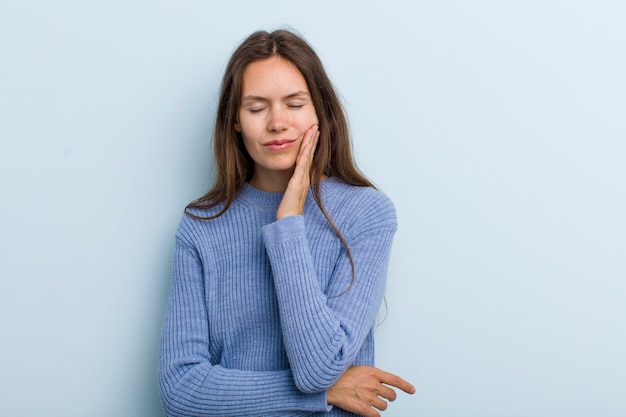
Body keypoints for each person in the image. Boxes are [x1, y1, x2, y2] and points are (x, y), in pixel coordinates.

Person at [158, 28, 415, 417]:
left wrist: (288, 224)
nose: (277, 123)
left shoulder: (367, 213)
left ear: (321, 112)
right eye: (257, 108)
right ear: (235, 121)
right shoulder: (202, 226)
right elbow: (181, 391)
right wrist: (326, 394)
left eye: (294, 104)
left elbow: (318, 368)